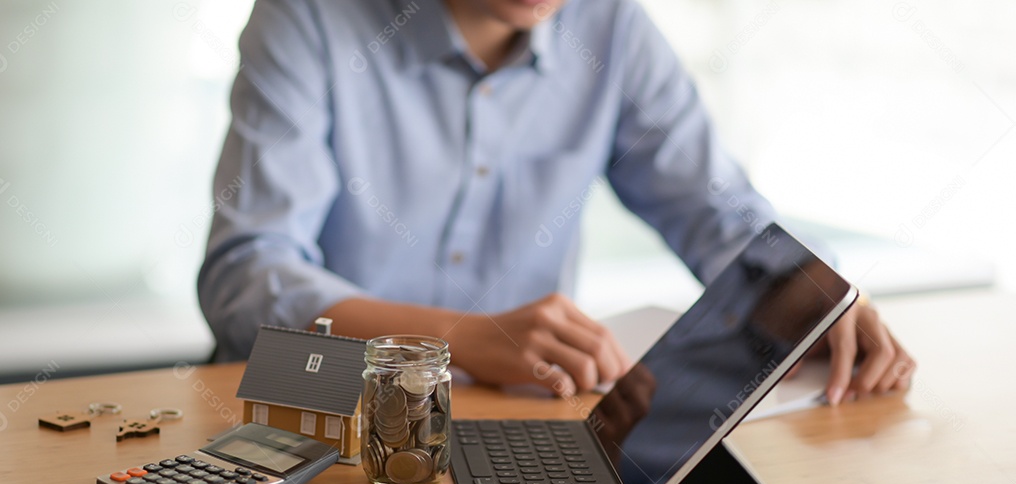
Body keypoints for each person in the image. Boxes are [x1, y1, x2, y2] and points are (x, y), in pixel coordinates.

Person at [198, 0, 915, 405]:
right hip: (306, 405)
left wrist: (812, 294)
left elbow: (716, 214)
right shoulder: (309, 18)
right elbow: (247, 276)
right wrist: (454, 338)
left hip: (512, 421)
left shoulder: (610, 29)